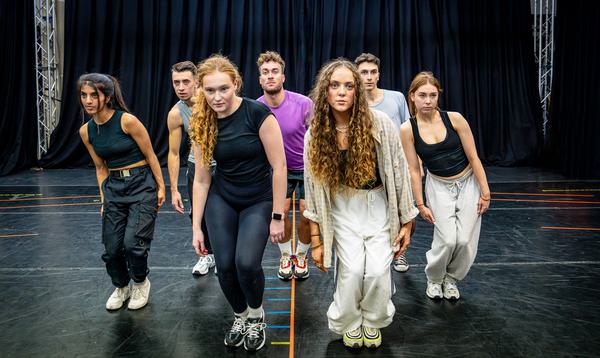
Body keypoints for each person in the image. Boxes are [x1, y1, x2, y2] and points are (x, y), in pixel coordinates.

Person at [303, 59, 417, 349]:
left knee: (378, 270)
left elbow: (400, 170)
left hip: (378, 204)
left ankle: (373, 320)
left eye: (349, 86)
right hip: (342, 206)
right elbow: (313, 189)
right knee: (352, 270)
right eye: (334, 85)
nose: (341, 92)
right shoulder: (315, 133)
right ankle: (349, 322)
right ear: (325, 92)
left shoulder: (380, 124)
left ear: (357, 92)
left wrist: (407, 219)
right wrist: (316, 239)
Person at [189, 54, 286, 351]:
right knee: (226, 266)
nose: (217, 97)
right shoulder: (201, 120)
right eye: (210, 90)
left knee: (246, 263)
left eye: (223, 89)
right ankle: (241, 316)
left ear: (236, 84)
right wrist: (196, 227)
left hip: (257, 199)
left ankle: (257, 315)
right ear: (201, 90)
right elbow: (202, 179)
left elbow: (279, 167)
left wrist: (277, 216)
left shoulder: (258, 114)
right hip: (223, 197)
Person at [400, 71, 491, 301]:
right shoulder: (407, 129)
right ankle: (434, 278)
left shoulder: (455, 119)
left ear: (438, 96)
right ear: (412, 96)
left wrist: (485, 192)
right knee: (448, 239)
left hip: (468, 182)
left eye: (432, 95)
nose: (428, 100)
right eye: (422, 95)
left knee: (464, 241)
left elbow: (474, 157)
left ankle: (451, 279)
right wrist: (420, 204)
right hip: (438, 185)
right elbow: (413, 169)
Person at [78, 73, 165, 311]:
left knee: (133, 244)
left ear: (106, 96)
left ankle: (140, 282)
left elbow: (150, 155)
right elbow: (100, 167)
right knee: (113, 248)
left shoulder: (127, 121)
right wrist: (104, 199)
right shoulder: (86, 131)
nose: (88, 100)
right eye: (84, 95)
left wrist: (161, 186)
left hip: (141, 184)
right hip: (114, 187)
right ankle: (121, 286)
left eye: (93, 95)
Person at [256, 51, 313, 280]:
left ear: (283, 77)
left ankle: (300, 255)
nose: (270, 76)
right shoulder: (256, 107)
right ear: (260, 79)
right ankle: (285, 255)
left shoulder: (304, 103)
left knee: (306, 214)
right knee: (282, 211)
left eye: (275, 72)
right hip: (278, 171)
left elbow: (319, 138)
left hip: (307, 169)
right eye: (265, 73)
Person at [355, 52, 412, 273]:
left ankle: (400, 252)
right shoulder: (354, 103)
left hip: (398, 167)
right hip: (370, 172)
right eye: (363, 73)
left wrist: (414, 162)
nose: (368, 77)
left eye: (373, 72)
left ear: (379, 75)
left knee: (404, 212)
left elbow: (408, 132)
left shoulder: (396, 98)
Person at [167, 61, 215, 276]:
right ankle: (206, 256)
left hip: (223, 168)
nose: (181, 87)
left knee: (225, 214)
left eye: (186, 81)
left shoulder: (214, 99)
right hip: (197, 168)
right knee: (198, 215)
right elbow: (174, 153)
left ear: (197, 81)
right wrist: (174, 189)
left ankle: (224, 257)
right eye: (176, 82)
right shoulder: (176, 113)